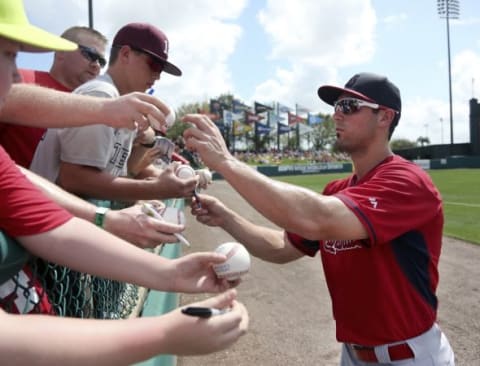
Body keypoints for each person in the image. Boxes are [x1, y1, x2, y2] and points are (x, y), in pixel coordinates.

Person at [0, 0, 248, 362]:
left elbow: (44, 220)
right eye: (8, 55)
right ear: (127, 55)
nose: (19, 75)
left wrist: (169, 273)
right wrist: (161, 334)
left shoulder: (112, 103)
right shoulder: (102, 94)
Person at [183, 73, 455, 365]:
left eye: (349, 106)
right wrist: (226, 217)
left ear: (385, 117)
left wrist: (226, 161)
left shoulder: (406, 181)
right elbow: (282, 246)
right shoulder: (337, 190)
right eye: (336, 107)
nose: (337, 115)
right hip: (352, 355)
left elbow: (315, 218)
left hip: (409, 356)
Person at [31, 22, 197, 205]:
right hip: (45, 220)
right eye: (154, 65)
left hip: (66, 217)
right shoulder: (102, 94)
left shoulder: (123, 102)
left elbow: (123, 171)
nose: (157, 76)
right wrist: (153, 190)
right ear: (125, 54)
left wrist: (139, 200)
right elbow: (74, 180)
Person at [0, 25, 108, 168]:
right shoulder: (16, 79)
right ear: (61, 52)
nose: (96, 65)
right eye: (90, 55)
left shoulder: (102, 104)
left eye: (101, 61)